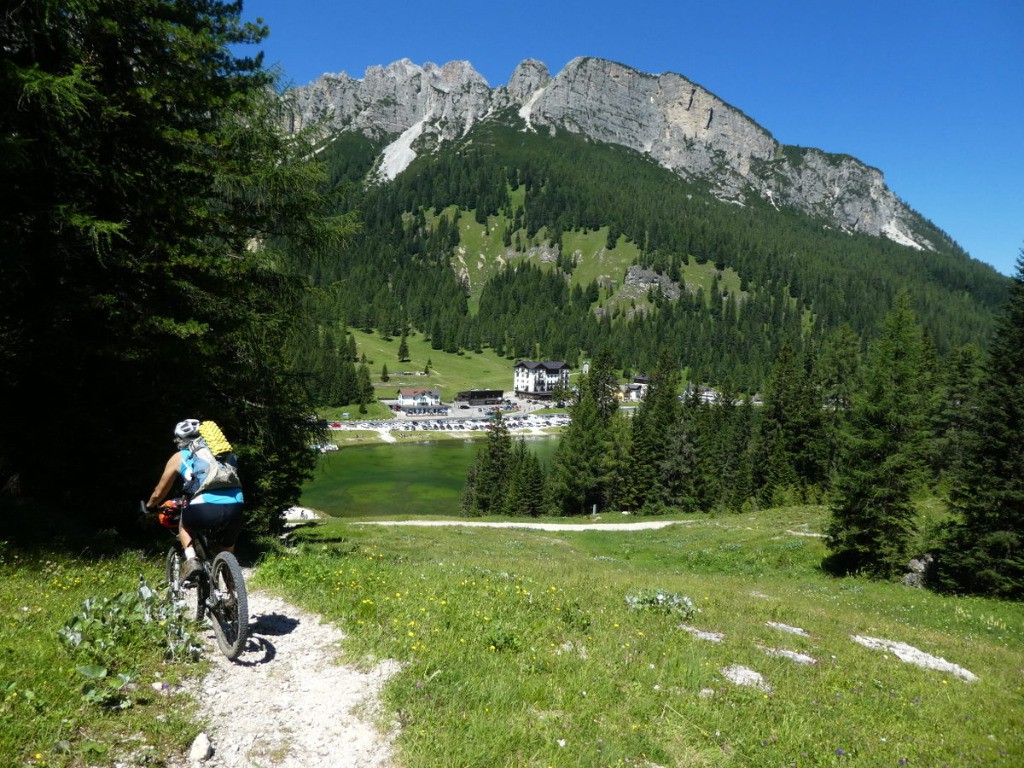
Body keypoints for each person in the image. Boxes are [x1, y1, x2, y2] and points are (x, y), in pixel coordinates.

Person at [146, 419, 244, 585]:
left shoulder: (180, 456)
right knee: (227, 546)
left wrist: (149, 506)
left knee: (184, 525)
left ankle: (192, 560)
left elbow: (158, 492)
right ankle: (232, 590)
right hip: (235, 507)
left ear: (179, 439)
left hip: (203, 508)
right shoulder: (225, 453)